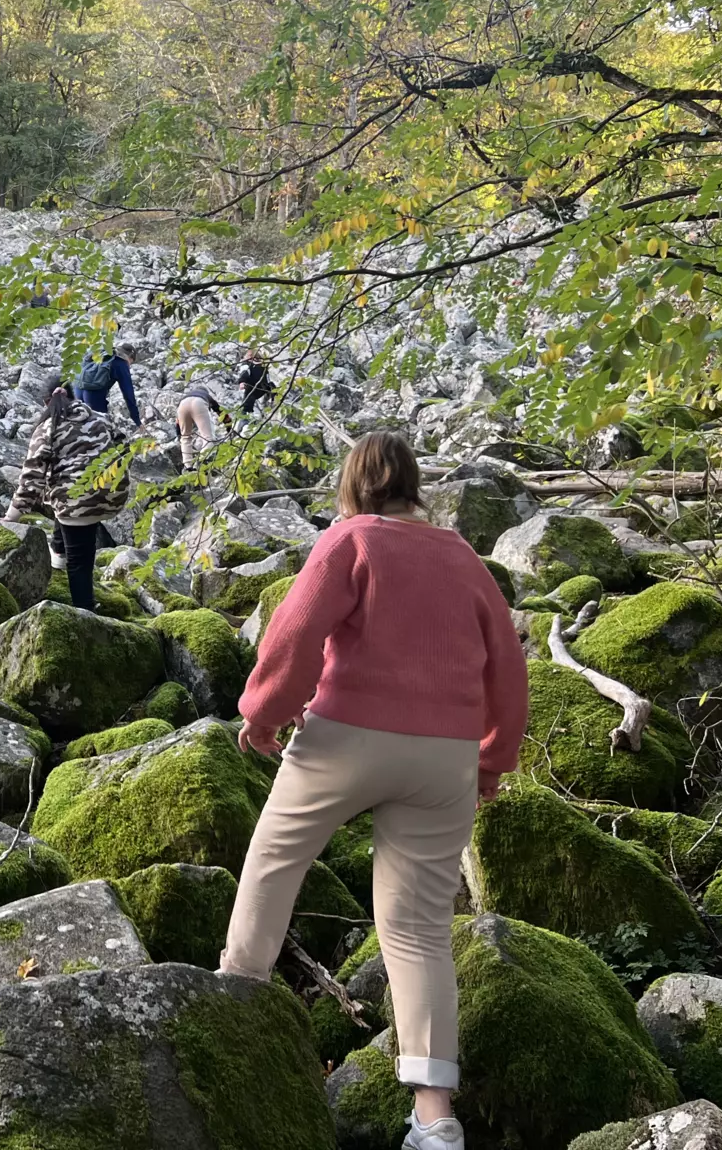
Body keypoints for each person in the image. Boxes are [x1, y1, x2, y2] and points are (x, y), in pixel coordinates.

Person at [217, 431, 528, 1150]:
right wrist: (490, 760)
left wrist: (264, 712)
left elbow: (296, 632)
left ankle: (238, 999)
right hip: (443, 755)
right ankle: (434, 1118)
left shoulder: (351, 539)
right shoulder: (463, 557)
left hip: (346, 735)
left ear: (355, 486)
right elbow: (507, 669)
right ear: (416, 486)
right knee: (418, 929)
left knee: (275, 859)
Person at [3, 384, 128, 611]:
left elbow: (32, 478)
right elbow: (125, 446)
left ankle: (85, 611)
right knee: (66, 498)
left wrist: (11, 517)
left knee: (80, 560)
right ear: (74, 397)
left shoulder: (47, 428)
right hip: (112, 494)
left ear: (45, 403)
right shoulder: (100, 418)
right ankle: (58, 551)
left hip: (78, 501)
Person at [71, 343, 142, 426]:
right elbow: (128, 394)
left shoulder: (103, 353)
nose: (129, 365)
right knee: (100, 426)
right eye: (131, 363)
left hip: (77, 390)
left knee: (80, 425)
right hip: (93, 395)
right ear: (130, 358)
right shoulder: (121, 363)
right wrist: (137, 421)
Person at [174, 382, 230, 473]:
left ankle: (188, 466)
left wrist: (178, 434)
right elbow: (221, 412)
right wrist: (229, 427)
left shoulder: (185, 396)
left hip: (182, 406)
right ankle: (202, 461)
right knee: (208, 437)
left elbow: (177, 422)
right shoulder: (206, 396)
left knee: (185, 437)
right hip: (199, 403)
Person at [235, 347, 275, 414]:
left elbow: (267, 378)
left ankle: (274, 401)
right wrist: (242, 382)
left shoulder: (263, 368)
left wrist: (270, 387)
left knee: (272, 386)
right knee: (249, 397)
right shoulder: (247, 365)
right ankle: (245, 413)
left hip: (262, 387)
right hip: (252, 387)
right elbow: (245, 372)